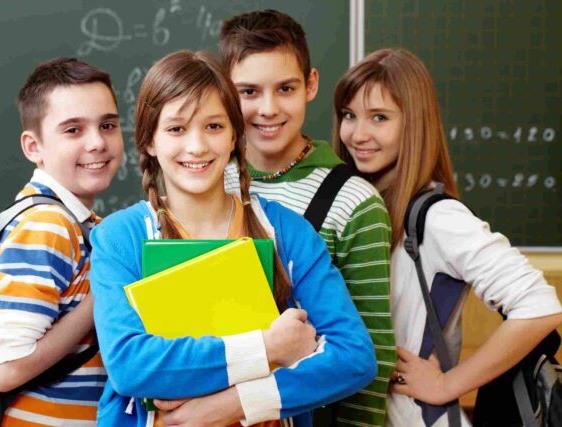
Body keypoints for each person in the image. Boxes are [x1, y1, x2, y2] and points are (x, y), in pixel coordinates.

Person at [89, 49, 376, 427]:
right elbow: (130, 366)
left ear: (234, 136)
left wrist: (235, 403)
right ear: (149, 142)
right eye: (176, 129)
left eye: (214, 126)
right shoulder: (119, 238)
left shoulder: (286, 232)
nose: (197, 147)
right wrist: (268, 347)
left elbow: (354, 357)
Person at [332, 47, 562, 426]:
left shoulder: (437, 217)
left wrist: (446, 384)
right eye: (349, 116)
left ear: (414, 124)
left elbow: (538, 305)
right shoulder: (360, 209)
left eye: (379, 118)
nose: (358, 134)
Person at [218, 9, 395, 426]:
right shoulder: (204, 181)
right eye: (248, 91)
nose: (268, 108)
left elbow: (371, 352)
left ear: (311, 84)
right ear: (225, 91)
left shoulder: (354, 201)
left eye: (285, 88)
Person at [0, 57, 123, 425]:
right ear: (33, 147)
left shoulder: (81, 223)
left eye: (107, 125)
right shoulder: (48, 224)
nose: (97, 142)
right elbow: (7, 368)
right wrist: (103, 297)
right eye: (73, 130)